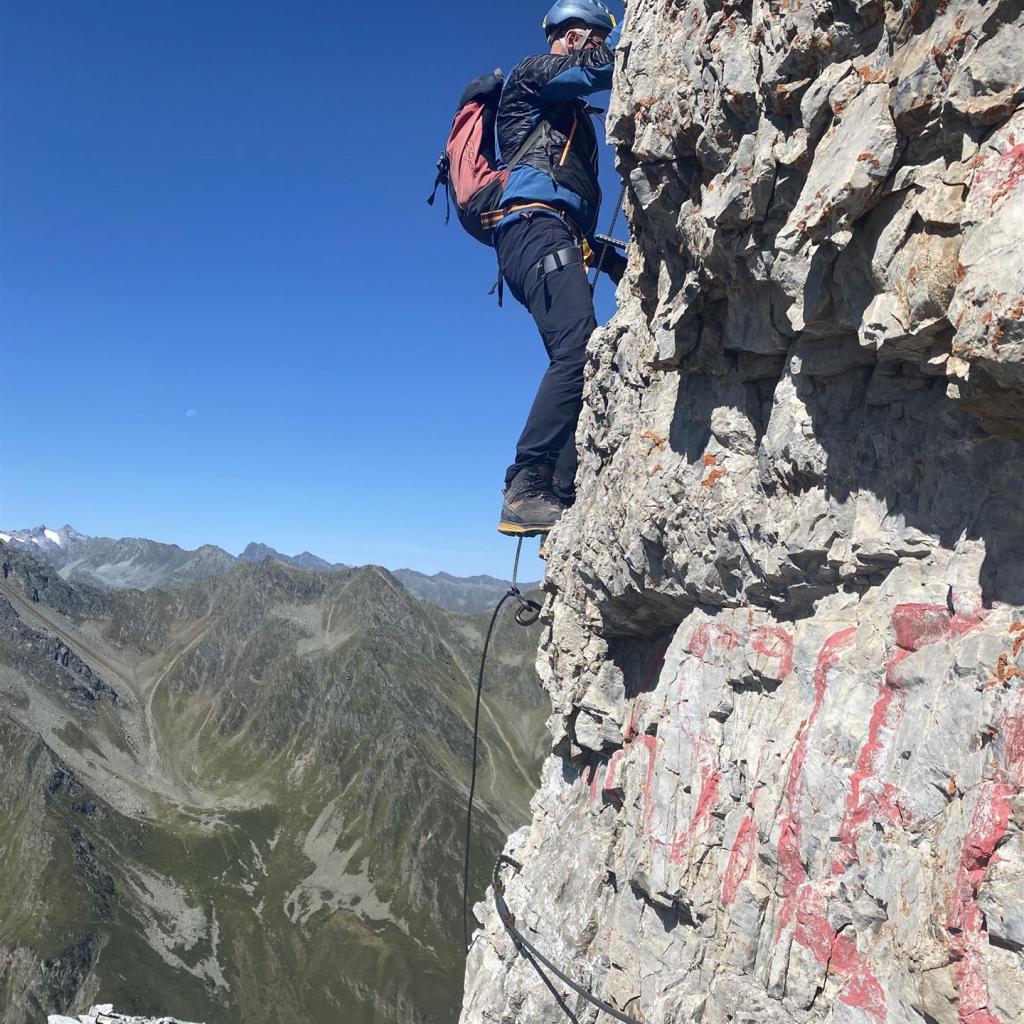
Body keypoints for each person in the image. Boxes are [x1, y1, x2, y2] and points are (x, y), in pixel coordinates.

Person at [494, 0, 626, 537]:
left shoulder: (564, 117)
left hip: (545, 233)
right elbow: (599, 70)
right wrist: (624, 50)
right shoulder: (534, 73)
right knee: (577, 348)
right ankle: (525, 486)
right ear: (574, 36)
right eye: (593, 36)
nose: (597, 46)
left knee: (583, 355)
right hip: (533, 229)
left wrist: (614, 257)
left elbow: (564, 198)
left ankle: (560, 491)